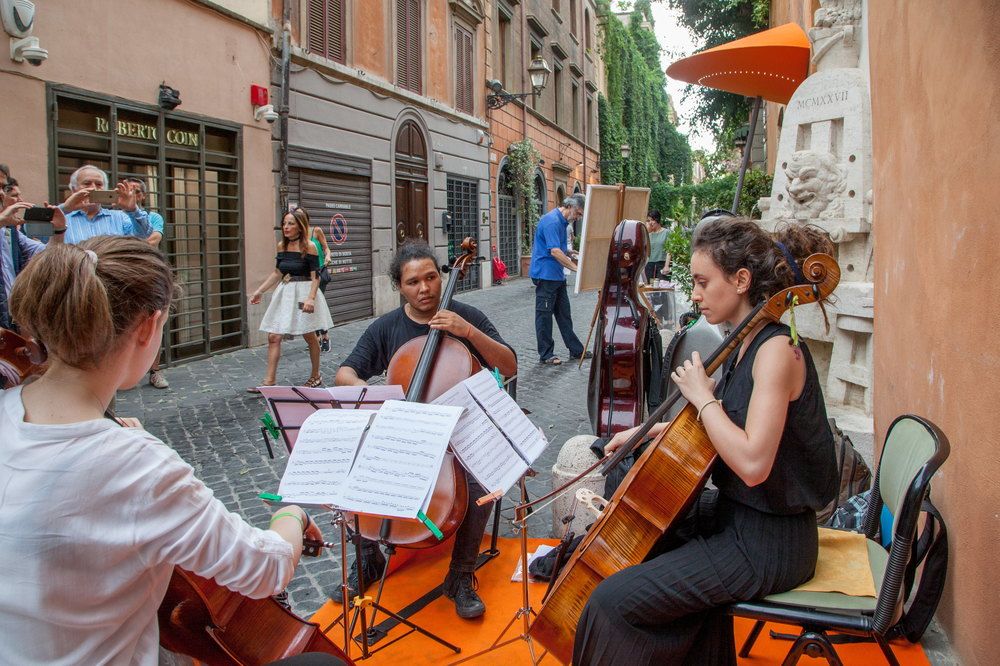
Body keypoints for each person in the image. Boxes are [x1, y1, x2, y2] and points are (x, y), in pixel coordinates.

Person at [0, 237, 330, 664]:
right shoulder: (136, 466)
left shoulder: (9, 407)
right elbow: (266, 568)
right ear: (147, 326)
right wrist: (292, 514)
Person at [573, 218, 839, 665]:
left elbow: (752, 464)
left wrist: (702, 397)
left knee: (611, 603)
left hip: (768, 541)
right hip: (741, 517)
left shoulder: (777, 351)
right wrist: (645, 432)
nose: (694, 294)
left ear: (741, 280)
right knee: (651, 539)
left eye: (702, 282)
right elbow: (726, 425)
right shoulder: (745, 340)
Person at [334, 239, 517, 619]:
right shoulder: (387, 327)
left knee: (482, 480)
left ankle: (460, 575)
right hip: (406, 430)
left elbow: (510, 365)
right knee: (348, 467)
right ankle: (368, 558)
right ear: (399, 286)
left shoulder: (465, 316)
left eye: (431, 278)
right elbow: (345, 372)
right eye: (413, 282)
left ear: (441, 277)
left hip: (458, 432)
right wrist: (371, 392)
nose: (424, 288)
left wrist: (469, 332)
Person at [249, 208, 333, 391]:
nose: (286, 227)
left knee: (309, 335)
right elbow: (277, 272)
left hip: (304, 292)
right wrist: (259, 291)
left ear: (300, 226)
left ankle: (315, 375)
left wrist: (311, 298)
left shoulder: (309, 246)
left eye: (290, 223)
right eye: (284, 223)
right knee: (273, 336)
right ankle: (269, 381)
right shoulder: (282, 246)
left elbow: (316, 277)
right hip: (286, 293)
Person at [528, 193, 590, 365]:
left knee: (564, 314)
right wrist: (576, 269)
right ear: (570, 206)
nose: (578, 218)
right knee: (544, 316)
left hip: (556, 276)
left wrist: (572, 253)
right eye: (578, 213)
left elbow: (560, 248)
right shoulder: (552, 221)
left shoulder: (562, 223)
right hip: (545, 275)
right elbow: (555, 251)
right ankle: (546, 354)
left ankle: (576, 350)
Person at [127, 177, 169, 389]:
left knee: (154, 323)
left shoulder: (153, 217)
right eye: (127, 190)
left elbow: (154, 240)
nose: (131, 194)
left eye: (135, 191)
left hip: (148, 275)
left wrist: (123, 248)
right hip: (123, 277)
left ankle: (155, 371)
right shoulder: (116, 217)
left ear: (142, 196)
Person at [59, 165, 152, 244]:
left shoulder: (120, 217)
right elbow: (48, 237)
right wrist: (65, 208)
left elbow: (143, 235)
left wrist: (133, 210)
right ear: (74, 189)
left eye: (99, 184)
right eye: (87, 183)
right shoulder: (63, 218)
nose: (93, 188)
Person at [310, 223, 332, 352]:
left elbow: (326, 249)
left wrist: (327, 256)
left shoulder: (316, 231)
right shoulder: (296, 237)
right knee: (309, 307)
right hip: (305, 277)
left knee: (317, 304)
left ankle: (324, 336)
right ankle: (316, 336)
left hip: (319, 273)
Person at [644, 209, 669, 282]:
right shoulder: (648, 234)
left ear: (657, 220)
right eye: (648, 220)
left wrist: (666, 266)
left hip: (661, 264)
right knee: (649, 286)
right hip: (649, 265)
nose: (650, 222)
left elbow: (669, 251)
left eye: (652, 220)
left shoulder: (666, 232)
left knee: (661, 286)